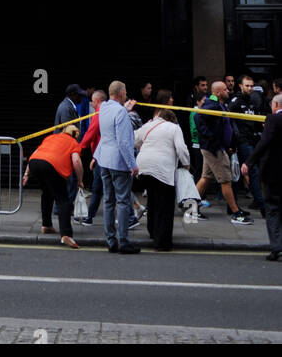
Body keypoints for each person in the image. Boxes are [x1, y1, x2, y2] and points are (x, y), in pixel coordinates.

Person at [194, 80, 252, 225]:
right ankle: (236, 213)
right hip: (214, 149)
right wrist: (211, 138)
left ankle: (191, 209)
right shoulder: (211, 104)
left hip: (216, 148)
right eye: (225, 89)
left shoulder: (220, 104)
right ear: (219, 92)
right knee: (226, 180)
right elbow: (197, 117)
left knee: (205, 178)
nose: (229, 91)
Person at [134, 103, 190, 250]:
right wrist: (186, 164)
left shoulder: (148, 126)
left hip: (143, 167)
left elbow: (134, 140)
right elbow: (181, 148)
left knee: (152, 199)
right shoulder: (174, 128)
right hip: (163, 170)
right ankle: (162, 242)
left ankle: (152, 231)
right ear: (172, 119)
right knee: (164, 206)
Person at [94, 80, 140, 254]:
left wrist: (124, 109)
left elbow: (110, 125)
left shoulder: (104, 107)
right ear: (121, 93)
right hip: (118, 163)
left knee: (108, 201)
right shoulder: (120, 111)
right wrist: (132, 164)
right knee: (122, 201)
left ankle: (111, 240)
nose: (126, 95)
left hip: (103, 160)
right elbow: (124, 141)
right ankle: (124, 241)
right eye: (125, 92)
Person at [24, 122, 83, 249]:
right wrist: (80, 180)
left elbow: (36, 152)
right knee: (63, 200)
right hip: (51, 167)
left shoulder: (51, 137)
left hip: (35, 164)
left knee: (47, 193)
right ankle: (66, 234)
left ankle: (46, 225)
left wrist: (26, 174)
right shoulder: (73, 143)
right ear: (75, 135)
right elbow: (76, 161)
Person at [241, 92, 282, 261]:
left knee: (272, 209)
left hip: (273, 172)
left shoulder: (272, 119)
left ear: (276, 105)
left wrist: (248, 162)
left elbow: (263, 143)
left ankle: (276, 247)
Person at [230, 73, 266, 214]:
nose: (250, 88)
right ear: (241, 86)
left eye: (252, 86)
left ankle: (232, 206)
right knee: (251, 172)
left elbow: (254, 120)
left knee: (238, 174)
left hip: (251, 139)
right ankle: (261, 205)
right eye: (247, 85)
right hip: (241, 141)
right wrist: (234, 140)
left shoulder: (252, 100)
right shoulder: (235, 102)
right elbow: (230, 121)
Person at [77, 88, 106, 225]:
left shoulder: (99, 113)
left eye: (93, 102)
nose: (92, 104)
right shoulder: (107, 111)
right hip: (101, 155)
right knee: (99, 188)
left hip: (102, 156)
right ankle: (89, 217)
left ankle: (130, 216)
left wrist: (80, 147)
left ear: (97, 101)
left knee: (103, 187)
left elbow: (91, 132)